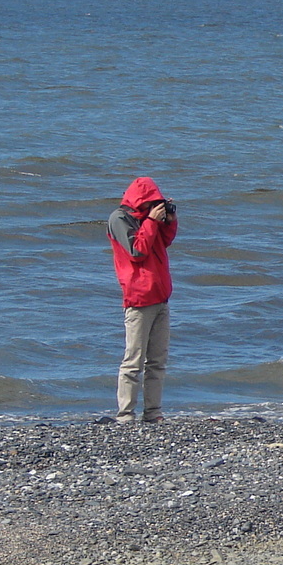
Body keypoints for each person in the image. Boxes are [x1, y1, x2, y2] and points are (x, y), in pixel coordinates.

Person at [107, 176, 178, 423]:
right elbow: (137, 251)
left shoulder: (150, 221)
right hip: (138, 299)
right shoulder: (119, 218)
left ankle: (153, 412)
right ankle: (125, 414)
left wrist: (168, 222)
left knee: (157, 361)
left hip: (160, 297)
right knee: (133, 362)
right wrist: (150, 221)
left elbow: (164, 242)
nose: (155, 207)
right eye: (152, 203)